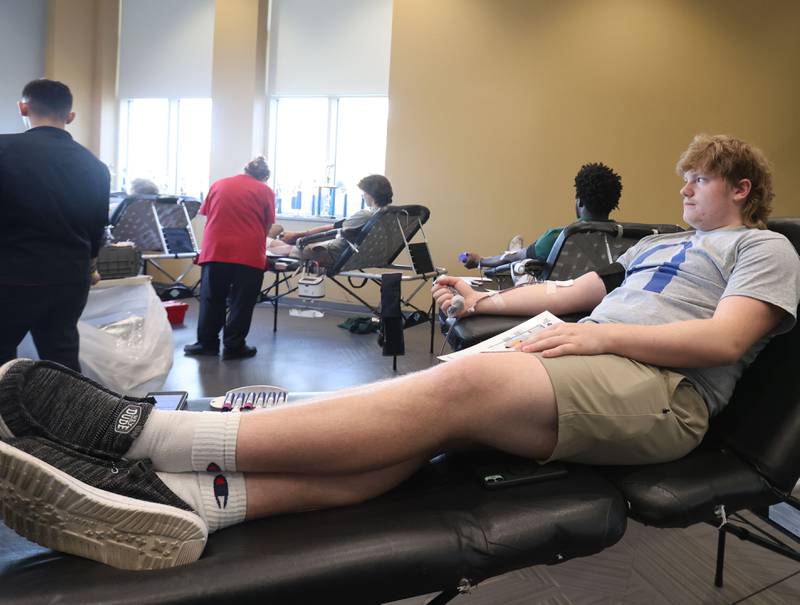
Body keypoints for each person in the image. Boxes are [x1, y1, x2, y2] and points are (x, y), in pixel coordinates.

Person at [0, 134, 798, 571]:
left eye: (700, 178)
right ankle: (190, 499)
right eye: (684, 177)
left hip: (663, 393)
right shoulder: (654, 245)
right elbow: (568, 292)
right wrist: (482, 299)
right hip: (590, 359)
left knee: (459, 389)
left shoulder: (764, 249)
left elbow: (725, 339)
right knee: (408, 423)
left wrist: (599, 334)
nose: (685, 187)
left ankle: (143, 435)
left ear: (741, 189)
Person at [0, 79, 110, 373]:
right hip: (69, 278)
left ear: (23, 108)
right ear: (70, 116)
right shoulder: (95, 166)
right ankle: (70, 404)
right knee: (62, 358)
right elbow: (97, 227)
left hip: (11, 276)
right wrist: (90, 267)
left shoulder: (3, 149)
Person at [183, 156, 275, 360]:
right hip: (249, 252)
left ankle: (206, 344)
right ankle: (234, 346)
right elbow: (267, 225)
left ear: (245, 170)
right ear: (264, 177)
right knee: (242, 301)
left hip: (216, 249)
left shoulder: (219, 184)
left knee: (211, 298)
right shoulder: (265, 191)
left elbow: (209, 215)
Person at [460, 162, 622, 270]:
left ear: (579, 202)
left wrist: (480, 260)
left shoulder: (560, 237)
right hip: (601, 303)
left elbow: (511, 259)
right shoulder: (623, 240)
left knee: (521, 264)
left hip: (554, 300)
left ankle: (514, 249)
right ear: (612, 204)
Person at [267, 174, 393, 267]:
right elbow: (338, 229)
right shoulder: (386, 214)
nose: (363, 196)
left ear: (370, 194)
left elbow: (334, 230)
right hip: (350, 254)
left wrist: (299, 237)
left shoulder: (366, 214)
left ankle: (265, 240)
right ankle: (269, 238)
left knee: (280, 246)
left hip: (331, 253)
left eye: (364, 192)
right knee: (284, 238)